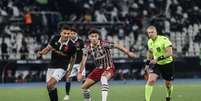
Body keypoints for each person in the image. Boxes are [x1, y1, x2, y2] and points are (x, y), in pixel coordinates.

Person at [77, 29, 136, 101]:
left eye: (96, 36)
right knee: (84, 87)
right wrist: (80, 72)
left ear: (98, 37)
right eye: (92, 36)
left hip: (109, 67)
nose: (94, 38)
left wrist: (128, 53)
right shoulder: (87, 48)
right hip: (98, 69)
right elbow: (83, 61)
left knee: (103, 78)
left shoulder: (104, 44)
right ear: (89, 37)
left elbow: (117, 46)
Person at [36, 26, 77, 101]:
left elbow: (73, 58)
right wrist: (41, 53)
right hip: (52, 66)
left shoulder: (72, 46)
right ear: (61, 33)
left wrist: (70, 70)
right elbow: (47, 49)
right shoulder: (55, 38)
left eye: (68, 33)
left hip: (62, 68)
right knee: (50, 87)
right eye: (64, 33)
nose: (66, 35)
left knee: (50, 84)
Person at [144, 25, 174, 101]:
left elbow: (169, 53)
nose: (150, 34)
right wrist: (147, 64)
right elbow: (150, 52)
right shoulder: (149, 41)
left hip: (167, 64)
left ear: (156, 32)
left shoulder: (164, 39)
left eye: (152, 32)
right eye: (149, 33)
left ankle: (168, 96)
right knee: (151, 80)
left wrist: (157, 59)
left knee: (168, 84)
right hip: (157, 64)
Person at [63, 29, 86, 100]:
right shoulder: (67, 42)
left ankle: (86, 94)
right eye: (71, 33)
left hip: (80, 63)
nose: (72, 35)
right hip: (71, 64)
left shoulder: (81, 42)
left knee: (82, 79)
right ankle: (67, 95)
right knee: (68, 79)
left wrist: (83, 63)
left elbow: (84, 53)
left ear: (76, 34)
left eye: (74, 33)